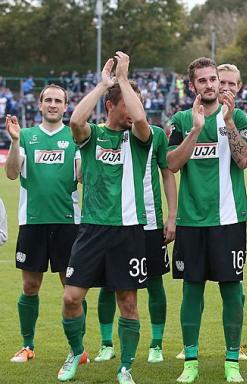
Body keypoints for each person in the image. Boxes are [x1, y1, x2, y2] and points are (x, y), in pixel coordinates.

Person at [57, 52, 152, 384]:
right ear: (111, 106)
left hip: (128, 230)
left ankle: (125, 366)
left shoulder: (139, 138)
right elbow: (75, 122)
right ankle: (75, 351)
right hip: (93, 228)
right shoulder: (93, 136)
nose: (133, 107)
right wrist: (102, 85)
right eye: (126, 101)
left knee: (128, 302)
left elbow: (141, 120)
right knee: (71, 297)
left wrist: (125, 81)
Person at [167, 57, 247, 383]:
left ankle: (231, 361)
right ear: (193, 86)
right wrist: (194, 129)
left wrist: (230, 123)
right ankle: (190, 361)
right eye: (202, 81)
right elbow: (173, 164)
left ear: (221, 83)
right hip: (192, 221)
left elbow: (245, 160)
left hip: (230, 219)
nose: (209, 85)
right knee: (192, 291)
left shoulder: (240, 117)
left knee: (231, 290)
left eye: (213, 80)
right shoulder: (179, 119)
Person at [4, 85, 82, 364]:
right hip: (33, 222)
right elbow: (12, 173)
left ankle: (78, 349)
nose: (52, 104)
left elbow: (83, 176)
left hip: (67, 223)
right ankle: (27, 346)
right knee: (29, 287)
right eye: (47, 100)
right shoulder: (26, 136)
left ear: (65, 106)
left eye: (57, 101)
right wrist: (14, 142)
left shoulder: (74, 136)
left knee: (72, 288)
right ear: (39, 105)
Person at [93, 121, 177, 364]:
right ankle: (106, 343)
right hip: (114, 221)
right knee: (108, 284)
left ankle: (157, 344)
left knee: (154, 281)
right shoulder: (102, 133)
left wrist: (171, 216)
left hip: (149, 220)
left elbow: (167, 174)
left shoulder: (156, 135)